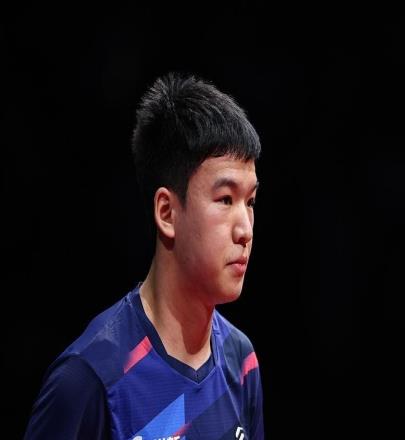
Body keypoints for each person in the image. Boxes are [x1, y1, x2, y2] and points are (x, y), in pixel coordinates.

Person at [24, 72, 264, 439]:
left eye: (250, 202)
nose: (245, 229)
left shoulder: (241, 362)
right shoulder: (90, 378)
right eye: (225, 199)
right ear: (167, 212)